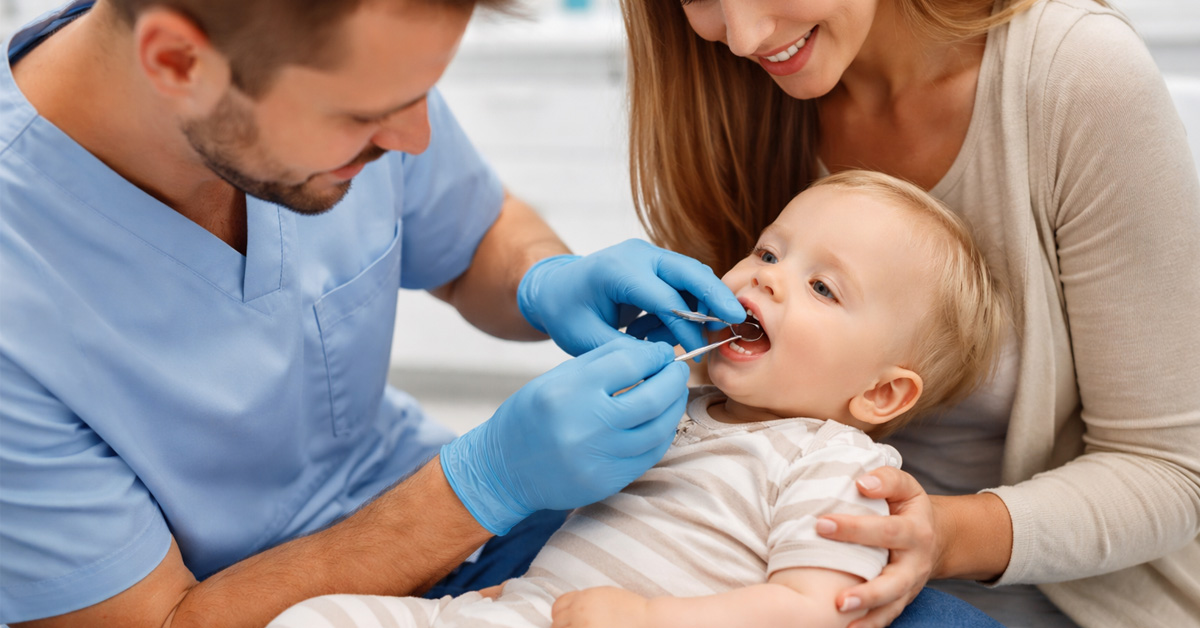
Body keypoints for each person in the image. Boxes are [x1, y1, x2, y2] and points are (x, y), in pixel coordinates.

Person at [0, 0, 755, 626]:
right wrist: (483, 482)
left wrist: (545, 276)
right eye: (368, 116)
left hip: (486, 545)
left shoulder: (335, 62)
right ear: (177, 63)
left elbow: (478, 235)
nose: (414, 140)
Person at [619, 0, 1200, 626]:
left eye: (823, 287)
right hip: (754, 570)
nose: (742, 38)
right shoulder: (724, 92)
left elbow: (1170, 472)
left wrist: (936, 535)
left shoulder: (1079, 76)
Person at [266, 170, 1008, 628]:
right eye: (770, 252)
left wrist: (654, 620)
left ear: (880, 392)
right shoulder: (679, 402)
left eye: (822, 287)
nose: (768, 279)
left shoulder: (835, 466)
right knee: (308, 618)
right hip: (514, 608)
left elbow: (813, 611)